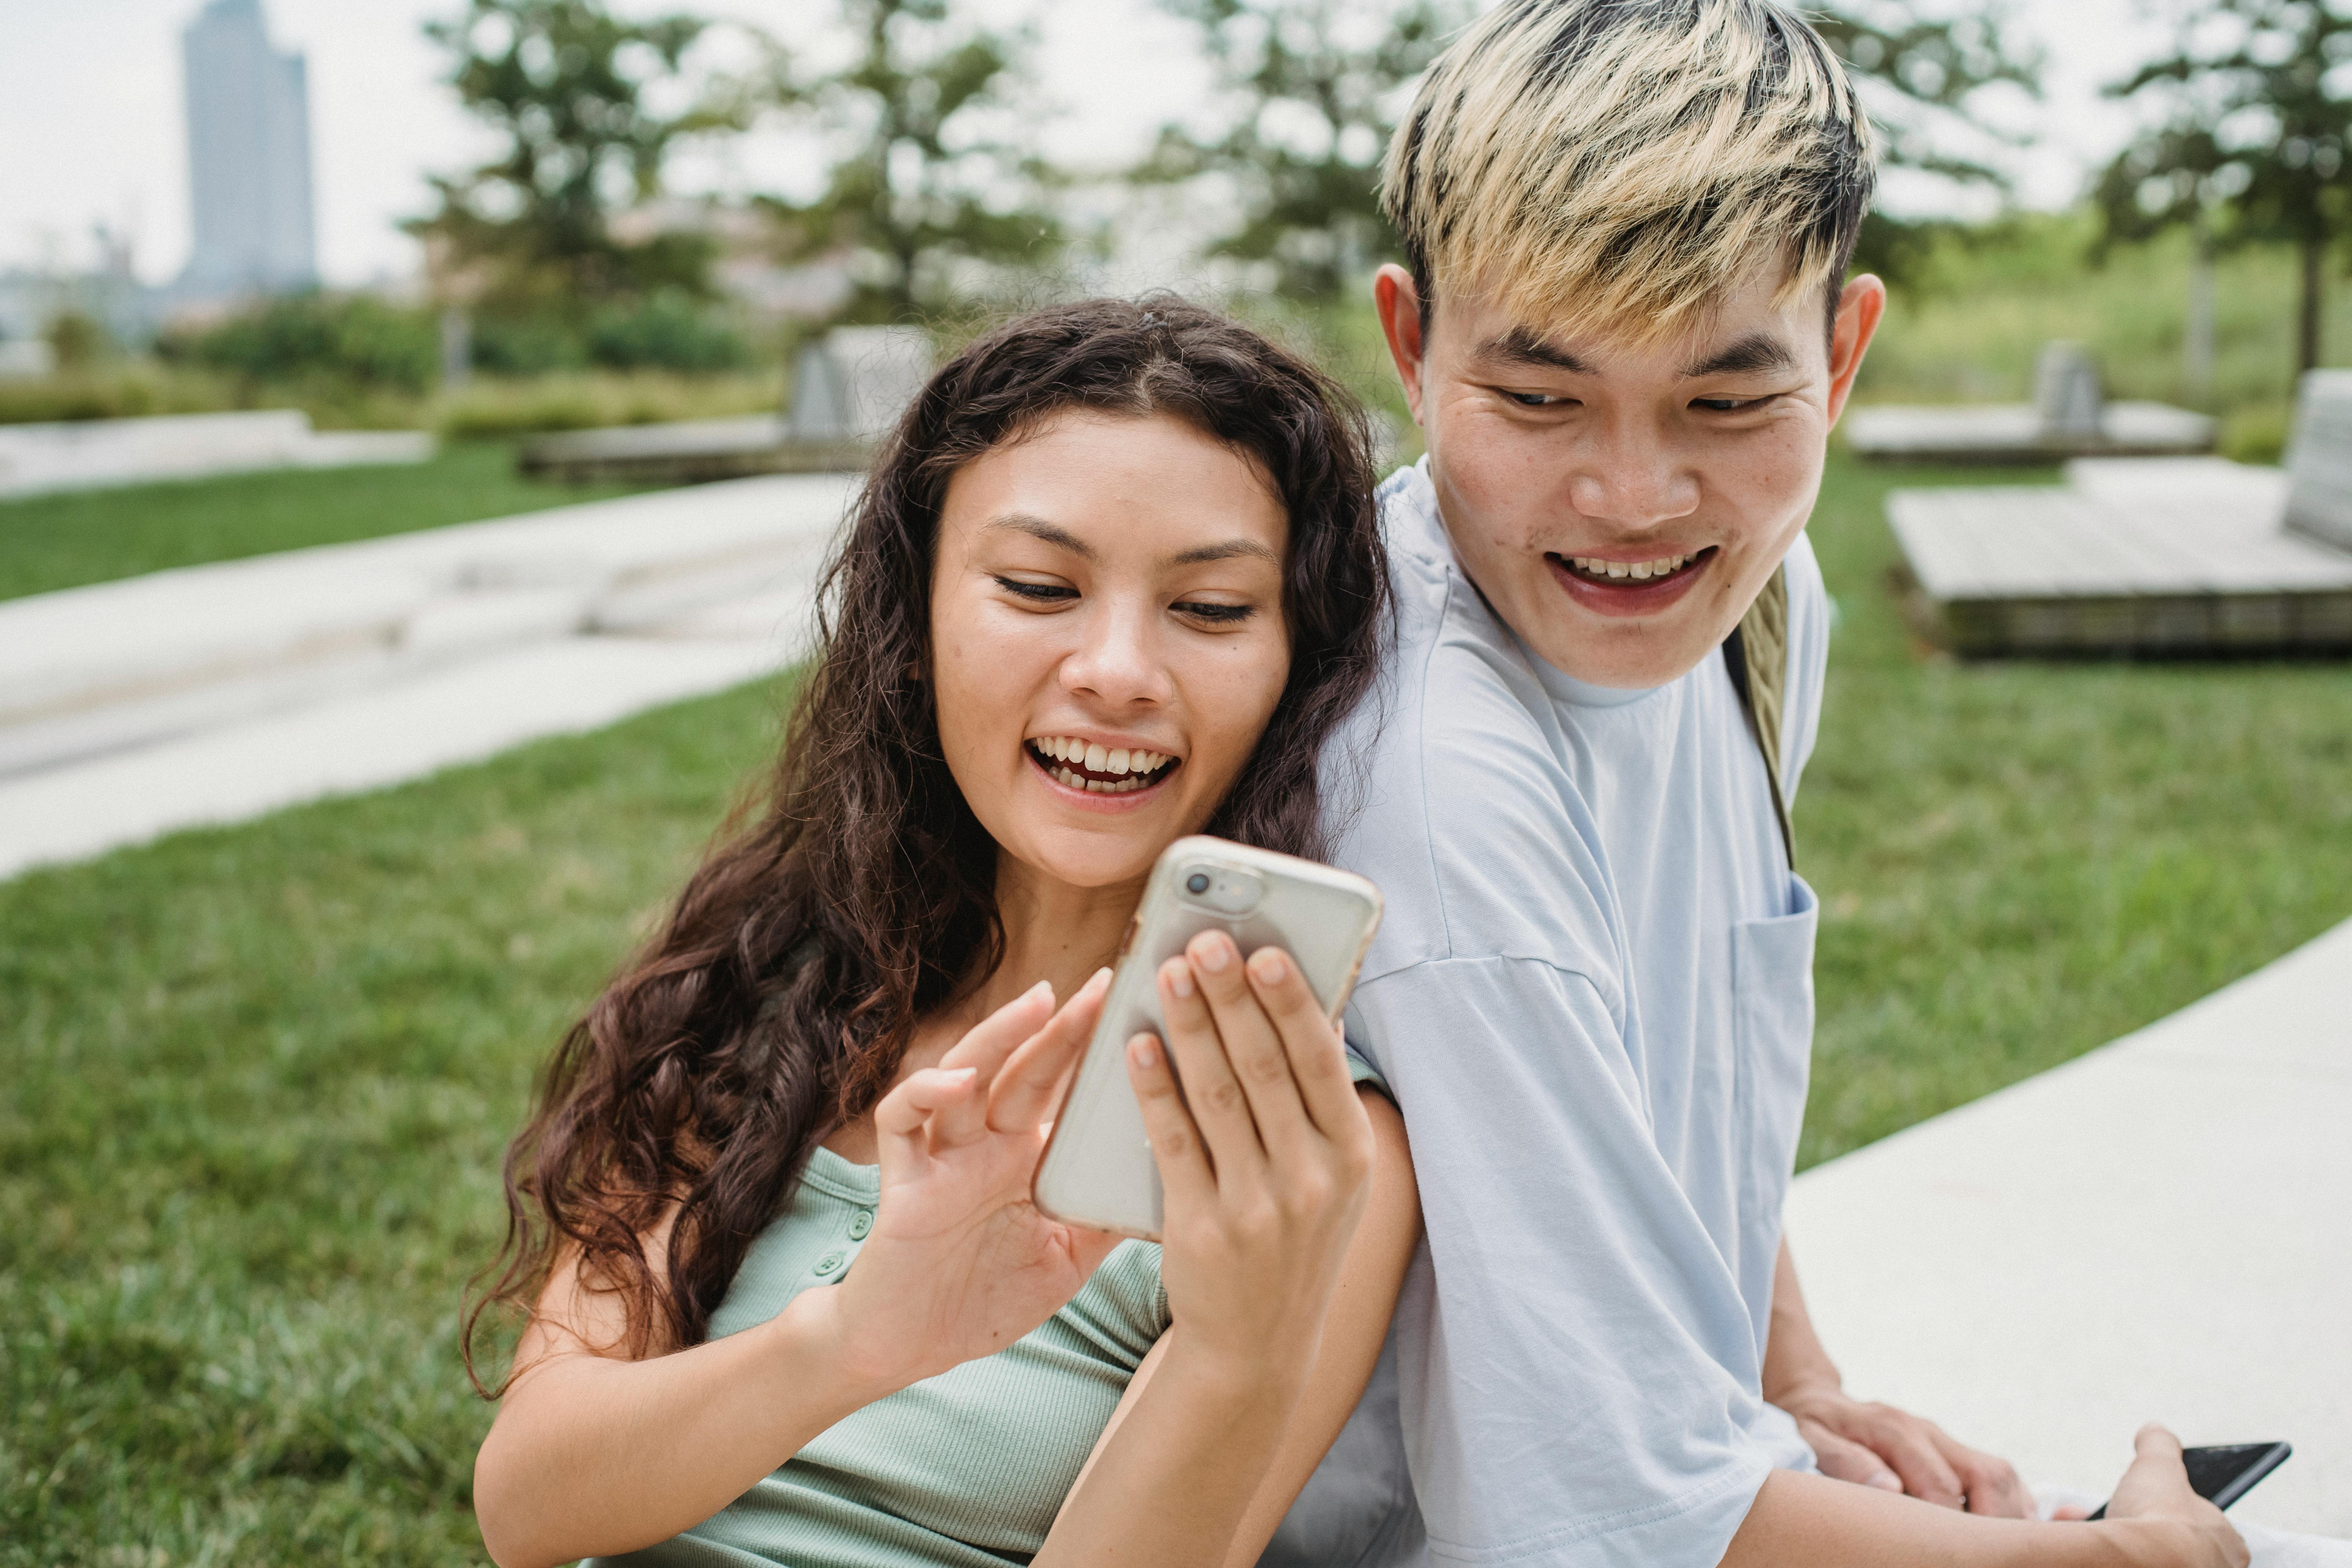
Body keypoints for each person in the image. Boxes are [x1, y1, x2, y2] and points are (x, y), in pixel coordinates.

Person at [1263, 2, 2258, 1564]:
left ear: (1843, 353)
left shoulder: (1761, 614)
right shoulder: (1437, 785)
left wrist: (1792, 1373)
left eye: (1727, 402)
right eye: (1539, 398)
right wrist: (2121, 1557)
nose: (1636, 499)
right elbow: (1601, 1522)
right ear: (1408, 344)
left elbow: (1678, 1052)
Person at [463, 297, 1423, 1568]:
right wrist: (860, 1336)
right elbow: (530, 1509)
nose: (1119, 669)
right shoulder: (772, 981)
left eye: (1211, 609)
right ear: (913, 623)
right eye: (1038, 587)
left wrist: (1246, 1353)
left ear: (1295, 668)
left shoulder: (1301, 1143)